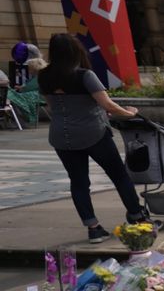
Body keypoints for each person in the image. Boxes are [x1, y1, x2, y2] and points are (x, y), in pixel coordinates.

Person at [38, 33, 149, 243]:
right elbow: (108, 105)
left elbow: (53, 107)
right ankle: (137, 216)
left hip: (62, 136)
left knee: (79, 182)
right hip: (93, 134)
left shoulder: (44, 76)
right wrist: (130, 113)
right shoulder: (84, 75)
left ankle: (93, 228)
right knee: (119, 175)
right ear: (75, 51)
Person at [5, 43, 46, 125]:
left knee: (11, 95)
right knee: (11, 96)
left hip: (38, 96)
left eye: (30, 68)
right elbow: (28, 86)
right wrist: (21, 87)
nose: (29, 70)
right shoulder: (38, 76)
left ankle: (18, 118)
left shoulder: (39, 76)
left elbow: (28, 88)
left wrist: (20, 88)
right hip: (34, 94)